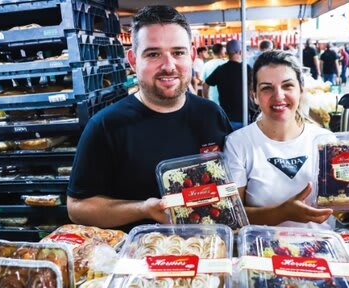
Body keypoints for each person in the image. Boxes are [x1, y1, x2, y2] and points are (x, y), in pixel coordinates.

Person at [67, 6, 232, 231]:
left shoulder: (212, 114)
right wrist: (143, 209)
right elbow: (77, 207)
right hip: (138, 259)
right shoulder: (105, 126)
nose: (168, 65)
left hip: (209, 249)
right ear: (133, 61)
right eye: (153, 54)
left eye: (178, 52)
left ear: (192, 56)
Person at [224, 50, 334, 228]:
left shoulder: (325, 140)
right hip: (260, 251)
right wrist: (282, 213)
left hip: (321, 249)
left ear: (301, 90)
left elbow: (345, 201)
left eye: (287, 86)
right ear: (254, 95)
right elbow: (232, 215)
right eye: (267, 88)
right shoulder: (238, 144)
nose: (279, 96)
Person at [205, 39, 252, 130]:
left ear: (227, 53)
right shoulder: (246, 69)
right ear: (240, 52)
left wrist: (207, 100)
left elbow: (205, 84)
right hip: (244, 116)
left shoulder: (220, 69)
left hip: (225, 117)